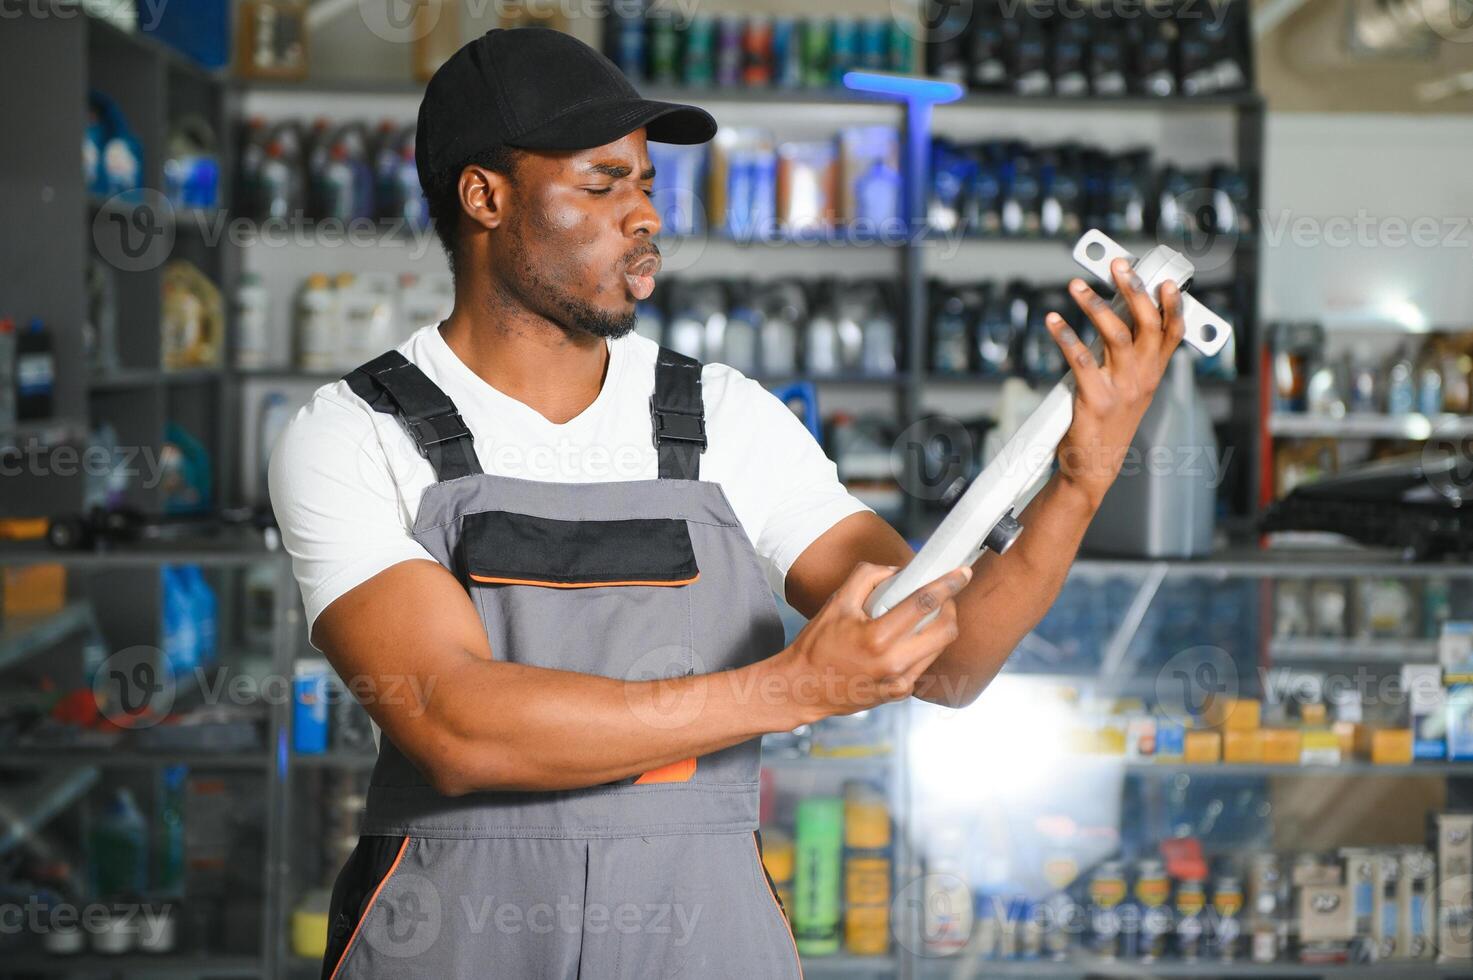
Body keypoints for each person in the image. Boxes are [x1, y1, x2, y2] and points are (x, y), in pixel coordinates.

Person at [269, 27, 1187, 980]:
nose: (641, 218)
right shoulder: (354, 432)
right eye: (601, 184)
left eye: (646, 186)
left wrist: (1082, 475)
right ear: (484, 197)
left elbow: (946, 661)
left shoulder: (720, 419)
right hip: (455, 939)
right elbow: (453, 724)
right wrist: (790, 689)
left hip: (701, 932)